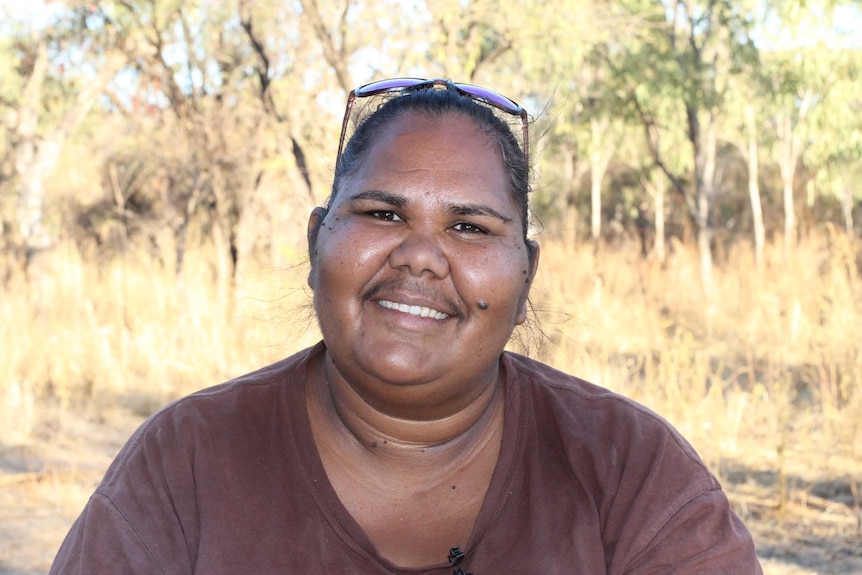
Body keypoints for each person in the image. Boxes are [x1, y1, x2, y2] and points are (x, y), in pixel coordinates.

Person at [50, 78, 763, 574]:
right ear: (315, 244)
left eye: (469, 226)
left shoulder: (631, 473)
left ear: (525, 282)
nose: (420, 255)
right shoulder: (186, 465)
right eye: (384, 214)